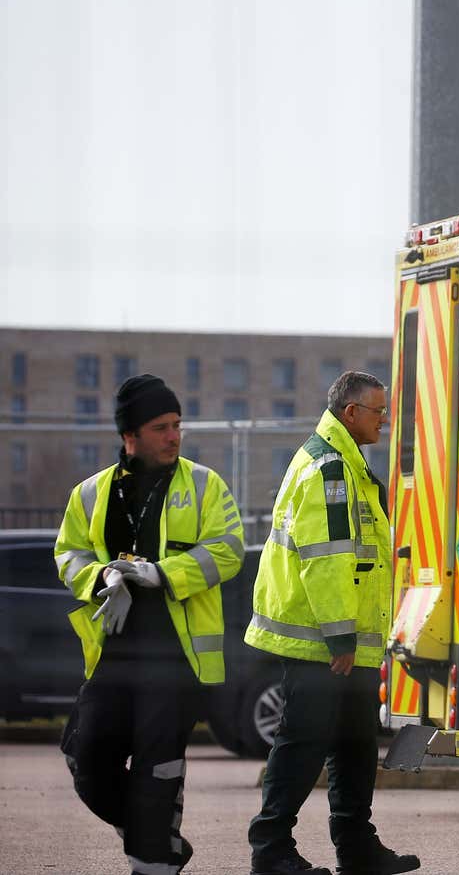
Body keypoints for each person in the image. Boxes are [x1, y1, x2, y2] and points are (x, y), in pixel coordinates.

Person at [55, 374, 244, 874]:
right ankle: (156, 838)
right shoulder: (89, 494)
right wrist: (103, 579)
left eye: (177, 424)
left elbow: (228, 551)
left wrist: (159, 574)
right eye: (161, 427)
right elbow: (68, 555)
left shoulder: (205, 485)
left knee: (159, 773)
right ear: (130, 436)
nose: (174, 436)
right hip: (113, 657)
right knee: (87, 763)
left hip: (177, 660)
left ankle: (154, 857)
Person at [245, 372, 418, 875]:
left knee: (354, 747)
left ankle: (356, 847)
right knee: (303, 744)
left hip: (344, 642)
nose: (384, 421)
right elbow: (328, 560)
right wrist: (340, 635)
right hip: (324, 642)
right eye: (377, 412)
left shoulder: (343, 464)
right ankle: (271, 850)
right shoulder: (331, 471)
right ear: (350, 412)